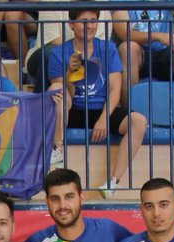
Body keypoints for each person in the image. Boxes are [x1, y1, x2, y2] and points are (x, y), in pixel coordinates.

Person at [47, 10, 148, 198]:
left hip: (101, 109)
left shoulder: (108, 48)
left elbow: (115, 89)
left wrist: (103, 120)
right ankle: (57, 151)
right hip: (73, 109)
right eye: (83, 21)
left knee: (139, 121)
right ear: (71, 24)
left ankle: (112, 183)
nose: (89, 26)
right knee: (57, 88)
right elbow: (66, 93)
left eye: (93, 21)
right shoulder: (58, 53)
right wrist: (70, 73)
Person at [112, 1, 174, 106]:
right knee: (127, 49)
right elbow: (124, 33)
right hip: (138, 54)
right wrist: (158, 36)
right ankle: (130, 116)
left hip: (166, 53)